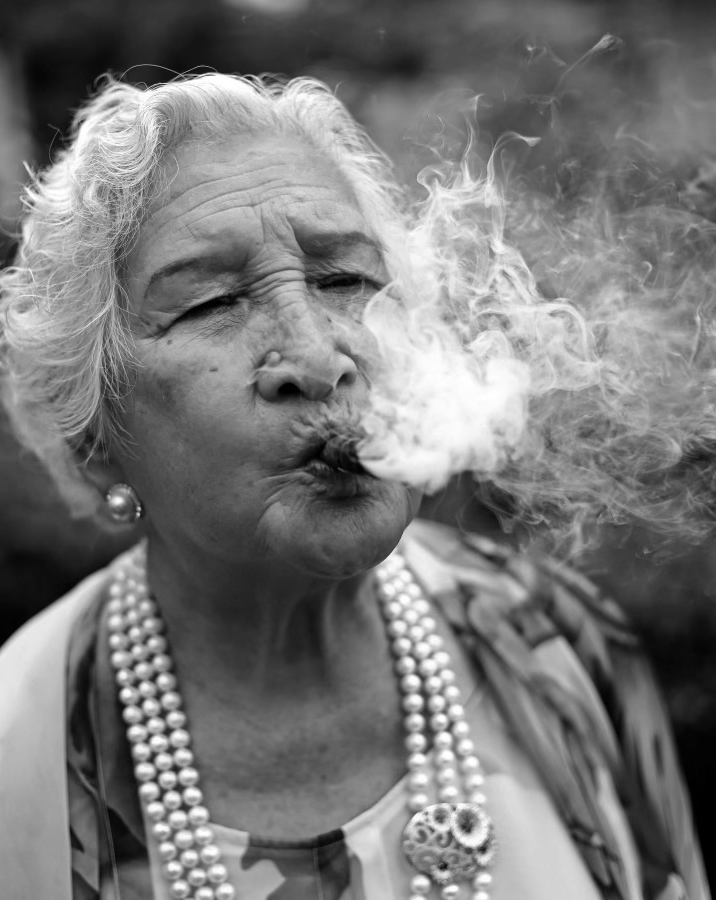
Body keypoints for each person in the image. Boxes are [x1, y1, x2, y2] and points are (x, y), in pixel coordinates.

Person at [0, 73, 708, 900]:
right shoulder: (19, 749)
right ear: (94, 440)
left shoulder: (559, 638)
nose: (318, 356)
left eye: (344, 281)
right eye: (213, 301)